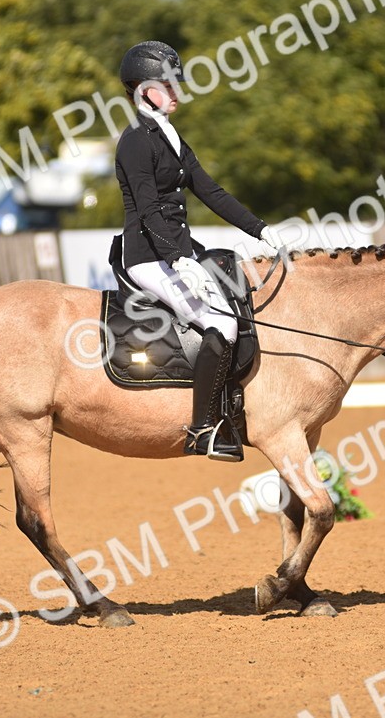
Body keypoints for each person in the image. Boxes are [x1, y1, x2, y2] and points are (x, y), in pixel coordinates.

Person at [114, 40, 283, 463]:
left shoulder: (170, 137)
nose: (176, 93)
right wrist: (177, 260)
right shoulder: (135, 141)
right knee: (220, 326)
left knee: (236, 305)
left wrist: (261, 230)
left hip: (178, 252)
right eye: (167, 85)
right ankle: (203, 428)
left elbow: (211, 191)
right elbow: (149, 211)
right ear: (141, 88)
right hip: (149, 256)